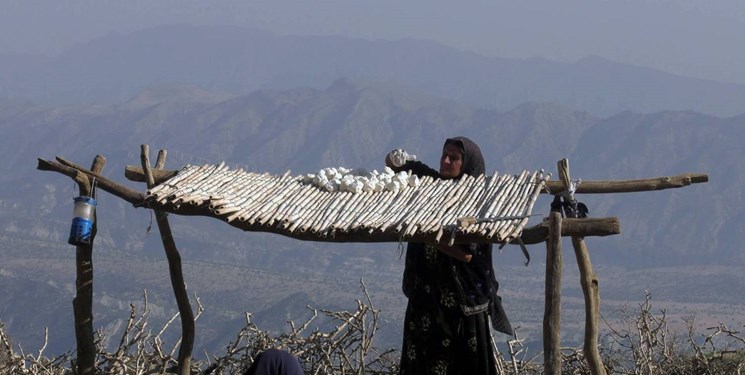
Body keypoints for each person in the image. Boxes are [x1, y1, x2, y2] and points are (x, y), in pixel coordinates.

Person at [386, 136, 513, 375]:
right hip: (425, 302)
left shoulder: (477, 201)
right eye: (444, 155)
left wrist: (430, 237)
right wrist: (397, 158)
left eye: (453, 158)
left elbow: (468, 256)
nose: (445, 161)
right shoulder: (432, 186)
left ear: (466, 164)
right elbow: (401, 166)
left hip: (461, 308)